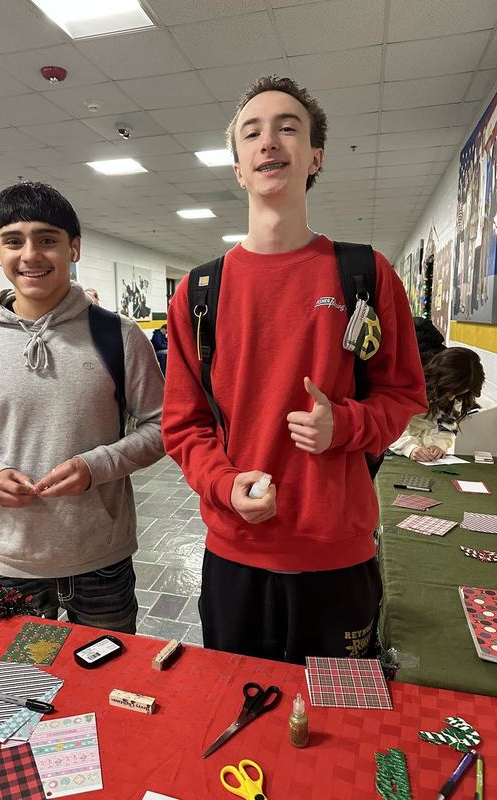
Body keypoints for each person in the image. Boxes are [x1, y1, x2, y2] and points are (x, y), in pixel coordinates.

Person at [162, 75, 427, 664]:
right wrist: (226, 484)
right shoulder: (200, 291)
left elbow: (404, 393)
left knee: (336, 732)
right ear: (237, 167)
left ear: (315, 157)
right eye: (251, 133)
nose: (269, 142)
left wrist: (347, 425)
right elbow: (183, 426)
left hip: (337, 556)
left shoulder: (366, 274)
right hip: (235, 556)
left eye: (288, 128)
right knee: (237, 712)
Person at [0, 182, 165, 632]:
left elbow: (161, 425)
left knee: (105, 674)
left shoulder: (119, 335)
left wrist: (98, 464)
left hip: (101, 554)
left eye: (47, 239)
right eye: (13, 240)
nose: (30, 255)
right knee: (19, 688)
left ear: (73, 247)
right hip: (10, 557)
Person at [390, 347, 485, 462]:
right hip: (392, 445)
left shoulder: (458, 393)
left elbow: (448, 424)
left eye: (458, 394)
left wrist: (439, 445)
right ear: (439, 379)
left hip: (420, 445)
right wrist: (409, 447)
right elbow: (389, 423)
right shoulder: (409, 383)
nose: (451, 398)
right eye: (449, 392)